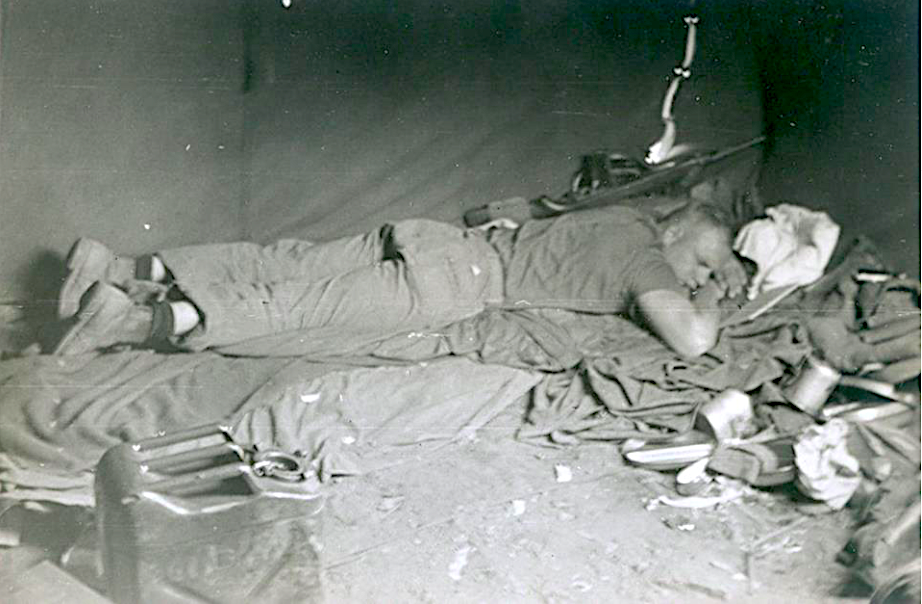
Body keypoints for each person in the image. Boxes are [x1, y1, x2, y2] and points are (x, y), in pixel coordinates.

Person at [53, 198, 746, 359]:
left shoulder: (624, 215)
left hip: (440, 239)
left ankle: (117, 268)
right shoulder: (646, 259)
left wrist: (714, 266)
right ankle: (131, 321)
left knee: (282, 259)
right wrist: (717, 292)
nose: (696, 277)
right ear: (675, 233)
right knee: (300, 306)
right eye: (703, 261)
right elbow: (692, 340)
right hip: (460, 280)